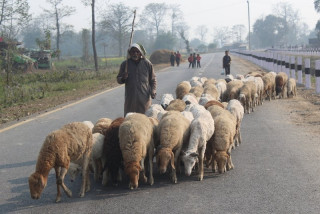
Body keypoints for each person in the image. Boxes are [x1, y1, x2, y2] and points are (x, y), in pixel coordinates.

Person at [117, 43, 157, 116]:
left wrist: (153, 90)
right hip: (130, 98)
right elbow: (118, 79)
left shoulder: (147, 64)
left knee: (145, 118)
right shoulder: (125, 64)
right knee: (130, 118)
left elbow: (153, 79)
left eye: (137, 52)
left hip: (144, 98)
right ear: (130, 53)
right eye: (133, 52)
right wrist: (123, 78)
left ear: (140, 53)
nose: (135, 53)